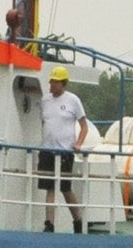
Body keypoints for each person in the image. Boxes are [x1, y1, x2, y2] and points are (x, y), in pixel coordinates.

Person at [38, 64, 93, 232]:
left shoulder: (73, 100)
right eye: (51, 82)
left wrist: (78, 143)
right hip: (47, 150)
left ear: (63, 83)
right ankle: (50, 224)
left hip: (64, 152)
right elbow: (44, 122)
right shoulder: (45, 101)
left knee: (65, 188)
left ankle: (78, 220)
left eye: (55, 82)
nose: (51, 85)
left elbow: (84, 126)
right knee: (50, 187)